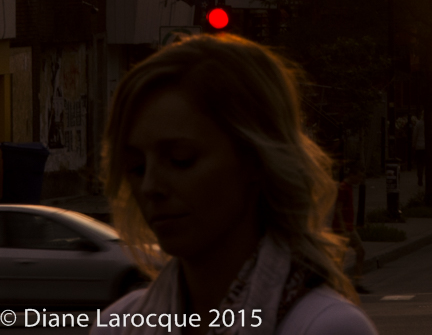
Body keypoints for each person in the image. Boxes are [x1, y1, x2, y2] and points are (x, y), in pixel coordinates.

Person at [94, 34, 376, 335]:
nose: (151, 185)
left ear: (254, 158)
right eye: (136, 167)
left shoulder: (324, 326)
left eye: (181, 159)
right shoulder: (119, 325)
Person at [332, 164, 370, 295]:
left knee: (360, 251)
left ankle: (356, 282)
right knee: (340, 257)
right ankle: (337, 285)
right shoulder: (343, 188)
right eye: (359, 176)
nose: (360, 180)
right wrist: (343, 229)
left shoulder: (349, 188)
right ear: (352, 175)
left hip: (349, 227)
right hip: (343, 228)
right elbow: (338, 209)